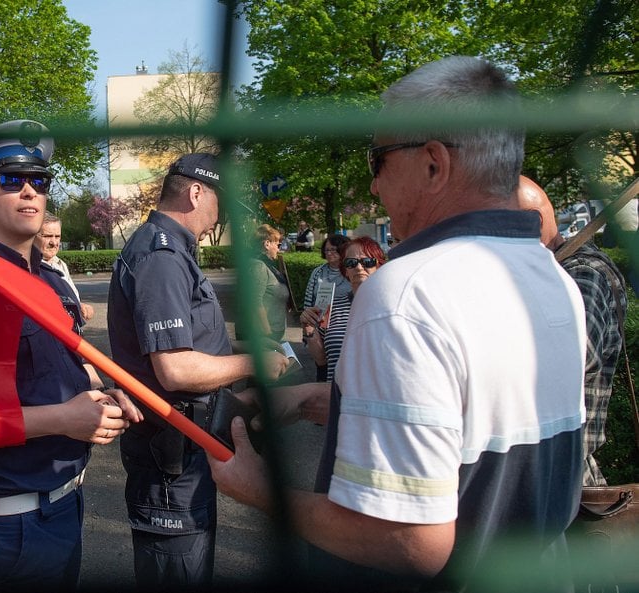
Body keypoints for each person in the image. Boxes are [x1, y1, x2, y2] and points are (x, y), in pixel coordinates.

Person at [208, 56, 587, 592]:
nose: (375, 185)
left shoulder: (406, 293)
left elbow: (410, 542)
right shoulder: (551, 278)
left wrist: (255, 488)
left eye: (377, 159)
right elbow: (468, 427)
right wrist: (318, 400)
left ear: (433, 163)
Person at [0, 119, 143, 591]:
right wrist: (63, 419)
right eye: (11, 180)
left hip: (65, 503)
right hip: (12, 523)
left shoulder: (49, 279)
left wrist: (102, 392)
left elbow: (56, 369)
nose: (30, 191)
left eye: (40, 181)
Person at [107, 152, 290, 589]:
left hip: (185, 450)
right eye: (219, 204)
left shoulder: (169, 250)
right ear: (195, 192)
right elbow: (174, 368)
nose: (218, 218)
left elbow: (187, 343)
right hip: (171, 460)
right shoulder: (162, 256)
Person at [516, 175, 627, 486]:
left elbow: (573, 355)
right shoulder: (546, 272)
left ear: (532, 222)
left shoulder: (582, 274)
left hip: (562, 478)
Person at [304, 237, 386, 384]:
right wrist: (309, 330)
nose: (359, 268)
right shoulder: (331, 308)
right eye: (351, 263)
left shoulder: (392, 307)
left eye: (368, 262)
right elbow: (321, 360)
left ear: (378, 266)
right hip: (336, 397)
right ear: (345, 270)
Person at [300, 234, 351, 381]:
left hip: (343, 331)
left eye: (333, 250)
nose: (329, 253)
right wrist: (307, 327)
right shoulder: (318, 273)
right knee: (323, 372)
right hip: (320, 329)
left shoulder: (351, 271)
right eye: (327, 250)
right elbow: (309, 299)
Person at [37, 212, 95, 329]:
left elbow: (65, 300)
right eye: (47, 236)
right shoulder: (30, 269)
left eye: (57, 236)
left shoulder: (60, 264)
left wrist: (79, 306)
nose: (54, 242)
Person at [239, 224, 291, 342]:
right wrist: (267, 334)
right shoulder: (258, 266)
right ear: (267, 244)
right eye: (277, 245)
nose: (279, 249)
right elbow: (254, 302)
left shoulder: (267, 265)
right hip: (263, 337)